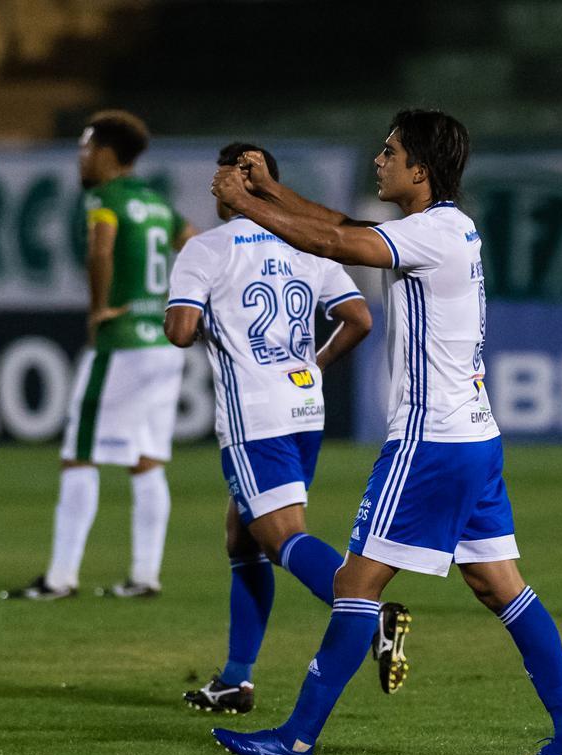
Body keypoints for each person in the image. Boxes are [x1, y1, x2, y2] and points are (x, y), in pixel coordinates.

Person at [207, 109, 562, 755]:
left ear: (419, 169)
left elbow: (337, 243)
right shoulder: (450, 228)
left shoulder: (432, 237)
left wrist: (246, 203)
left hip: (431, 442)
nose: (378, 161)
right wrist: (271, 191)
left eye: (389, 153)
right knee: (500, 586)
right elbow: (342, 229)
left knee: (356, 585)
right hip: (476, 436)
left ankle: (295, 741)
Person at [164, 143, 406, 714]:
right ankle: (236, 678)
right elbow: (358, 318)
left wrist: (183, 306)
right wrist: (314, 366)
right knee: (242, 537)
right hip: (303, 408)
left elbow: (180, 331)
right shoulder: (304, 242)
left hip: (253, 414)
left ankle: (368, 614)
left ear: (227, 184)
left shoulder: (205, 249)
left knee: (280, 537)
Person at [2, 110, 195, 600]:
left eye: (86, 148)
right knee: (147, 459)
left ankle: (60, 577)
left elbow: (101, 249)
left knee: (78, 453)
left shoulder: (103, 198)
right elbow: (194, 244)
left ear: (108, 154)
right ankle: (144, 575)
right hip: (162, 343)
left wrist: (99, 309)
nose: (81, 157)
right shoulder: (155, 202)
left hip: (123, 342)